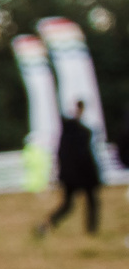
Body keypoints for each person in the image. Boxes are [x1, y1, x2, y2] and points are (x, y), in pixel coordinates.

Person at [40, 100, 104, 237]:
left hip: (73, 175)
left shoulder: (69, 133)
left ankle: (48, 224)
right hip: (81, 174)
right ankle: (91, 230)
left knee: (71, 205)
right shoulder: (78, 132)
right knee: (87, 202)